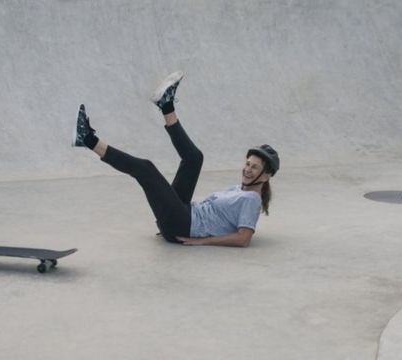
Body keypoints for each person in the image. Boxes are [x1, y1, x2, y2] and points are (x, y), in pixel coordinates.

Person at [72, 71, 279, 247]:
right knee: (194, 158)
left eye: (254, 168)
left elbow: (243, 238)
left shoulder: (252, 200)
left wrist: (201, 242)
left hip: (182, 226)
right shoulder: (240, 189)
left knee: (146, 169)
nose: (247, 169)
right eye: (247, 164)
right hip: (184, 214)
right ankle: (166, 105)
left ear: (266, 174)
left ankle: (88, 140)